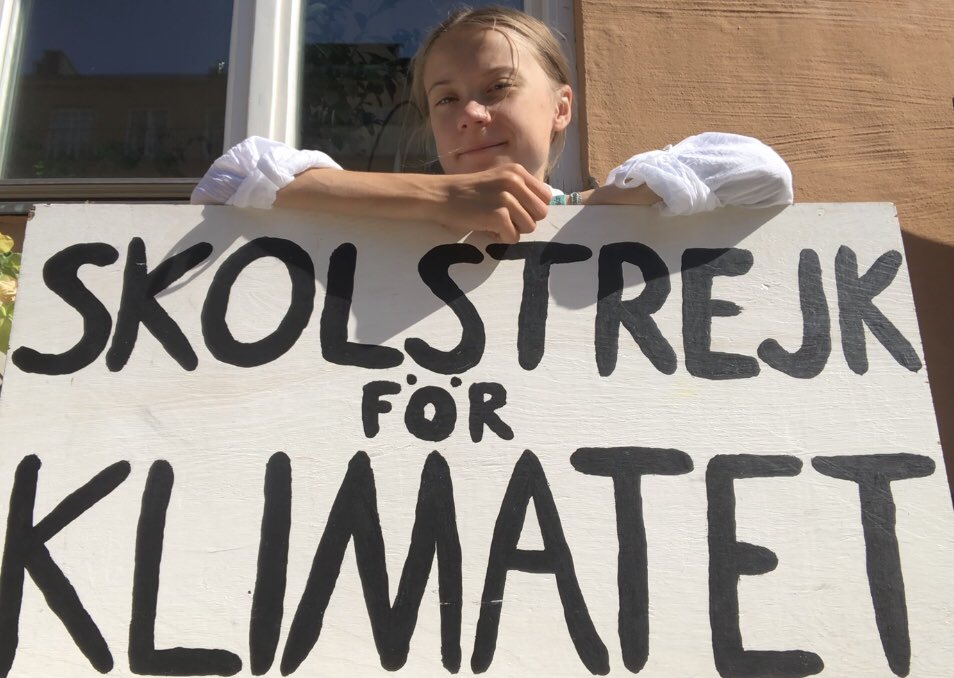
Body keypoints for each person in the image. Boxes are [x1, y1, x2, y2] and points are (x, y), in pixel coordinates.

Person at [192, 5, 793, 243]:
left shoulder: (609, 208)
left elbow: (761, 173)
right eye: (445, 99)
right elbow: (228, 178)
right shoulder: (382, 215)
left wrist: (592, 204)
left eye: (498, 88)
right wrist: (439, 198)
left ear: (561, 108)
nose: (471, 114)